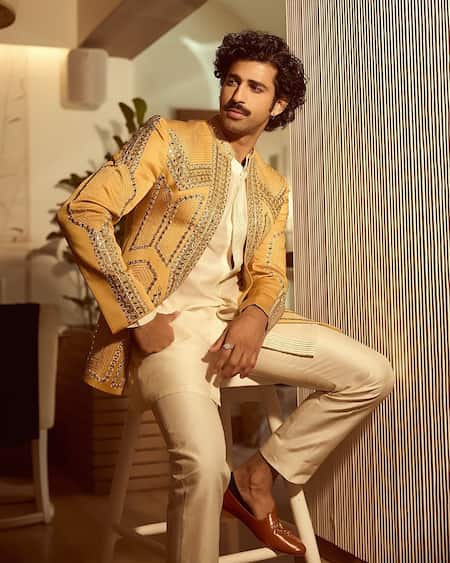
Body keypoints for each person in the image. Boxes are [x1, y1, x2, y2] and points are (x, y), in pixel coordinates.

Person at [57, 30, 395, 563]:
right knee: (202, 465)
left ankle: (256, 478)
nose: (238, 95)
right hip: (168, 330)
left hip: (232, 327)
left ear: (278, 104)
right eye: (232, 81)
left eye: (256, 88)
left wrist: (255, 315)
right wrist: (139, 315)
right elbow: (83, 212)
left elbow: (268, 272)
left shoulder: (272, 185)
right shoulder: (168, 139)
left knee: (371, 374)